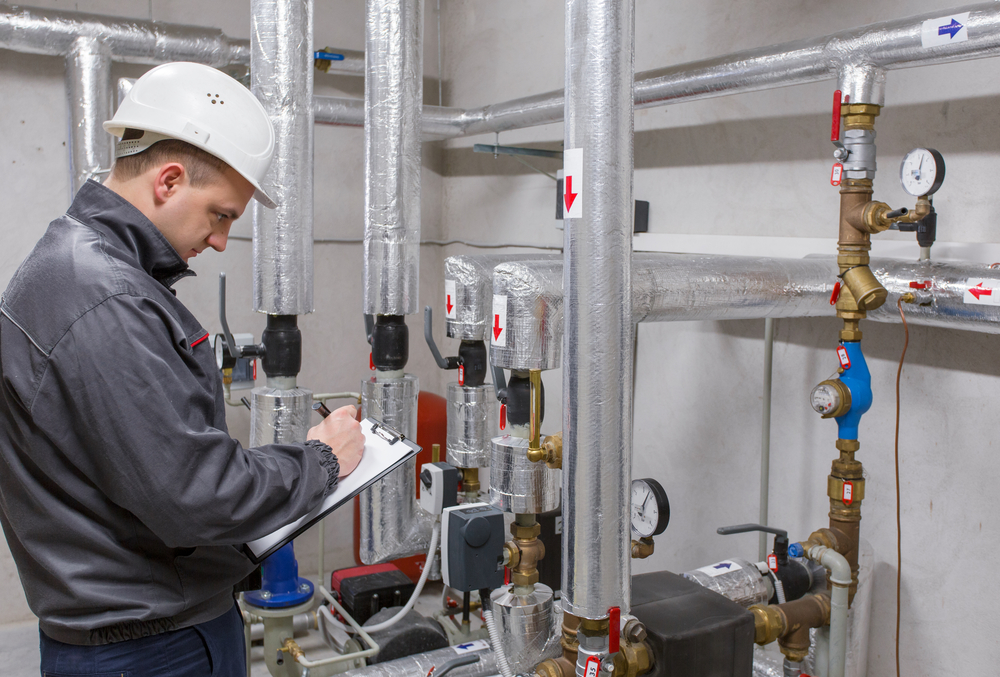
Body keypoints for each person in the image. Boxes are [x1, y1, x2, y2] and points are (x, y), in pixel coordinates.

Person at [0, 62, 364, 676]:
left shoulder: (72, 265)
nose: (220, 240)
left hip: (127, 631)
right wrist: (323, 461)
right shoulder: (107, 298)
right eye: (221, 214)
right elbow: (199, 495)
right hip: (148, 647)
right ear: (169, 180)